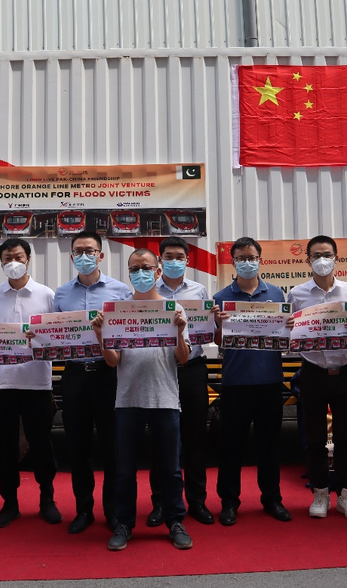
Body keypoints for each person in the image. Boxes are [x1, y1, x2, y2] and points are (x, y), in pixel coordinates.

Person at [102, 249, 193, 551]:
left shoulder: (173, 308)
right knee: (125, 469)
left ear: (157, 271)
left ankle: (175, 520)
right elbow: (113, 361)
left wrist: (179, 331)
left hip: (165, 398)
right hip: (127, 399)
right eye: (134, 269)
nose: (140, 273)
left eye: (146, 268)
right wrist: (101, 335)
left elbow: (183, 358)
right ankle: (124, 523)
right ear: (129, 273)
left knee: (170, 469)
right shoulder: (118, 310)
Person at [0, 238, 59, 528]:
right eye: (7, 258)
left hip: (37, 382)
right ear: (0, 262)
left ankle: (47, 500)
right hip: (3, 384)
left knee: (41, 443)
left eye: (18, 257)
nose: (13, 263)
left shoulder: (46, 295)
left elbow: (56, 338)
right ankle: (10, 502)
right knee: (3, 446)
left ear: (29, 259)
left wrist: (40, 338)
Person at [51, 231, 131, 534]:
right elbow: (55, 335)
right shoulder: (61, 294)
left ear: (101, 255)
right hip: (74, 375)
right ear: (72, 256)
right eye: (78, 251)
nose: (84, 256)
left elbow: (127, 332)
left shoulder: (120, 291)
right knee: (77, 446)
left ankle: (113, 511)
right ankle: (83, 509)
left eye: (90, 250)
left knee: (113, 447)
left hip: (108, 375)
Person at [212, 237, 291, 525]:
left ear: (260, 260)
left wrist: (289, 327)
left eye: (252, 257)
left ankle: (272, 498)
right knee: (230, 446)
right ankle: (229, 502)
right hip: (235, 382)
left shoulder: (277, 294)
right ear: (232, 262)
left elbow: (285, 336)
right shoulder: (220, 298)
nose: (247, 262)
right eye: (241, 258)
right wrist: (219, 324)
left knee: (270, 445)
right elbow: (217, 341)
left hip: (270, 381)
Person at [286, 236, 347, 521]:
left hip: (345, 373)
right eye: (316, 255)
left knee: (345, 439)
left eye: (327, 254)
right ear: (307, 259)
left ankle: (346, 494)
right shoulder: (297, 294)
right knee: (314, 438)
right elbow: (289, 334)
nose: (322, 260)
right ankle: (320, 492)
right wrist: (290, 327)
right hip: (313, 372)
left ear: (336, 258)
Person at [147, 236, 216, 526]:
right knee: (160, 439)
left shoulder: (199, 291)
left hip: (193, 370)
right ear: (160, 261)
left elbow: (209, 330)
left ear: (187, 260)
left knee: (195, 437)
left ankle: (197, 501)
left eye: (179, 256)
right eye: (168, 256)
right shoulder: (149, 291)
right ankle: (160, 503)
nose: (174, 261)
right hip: (160, 370)